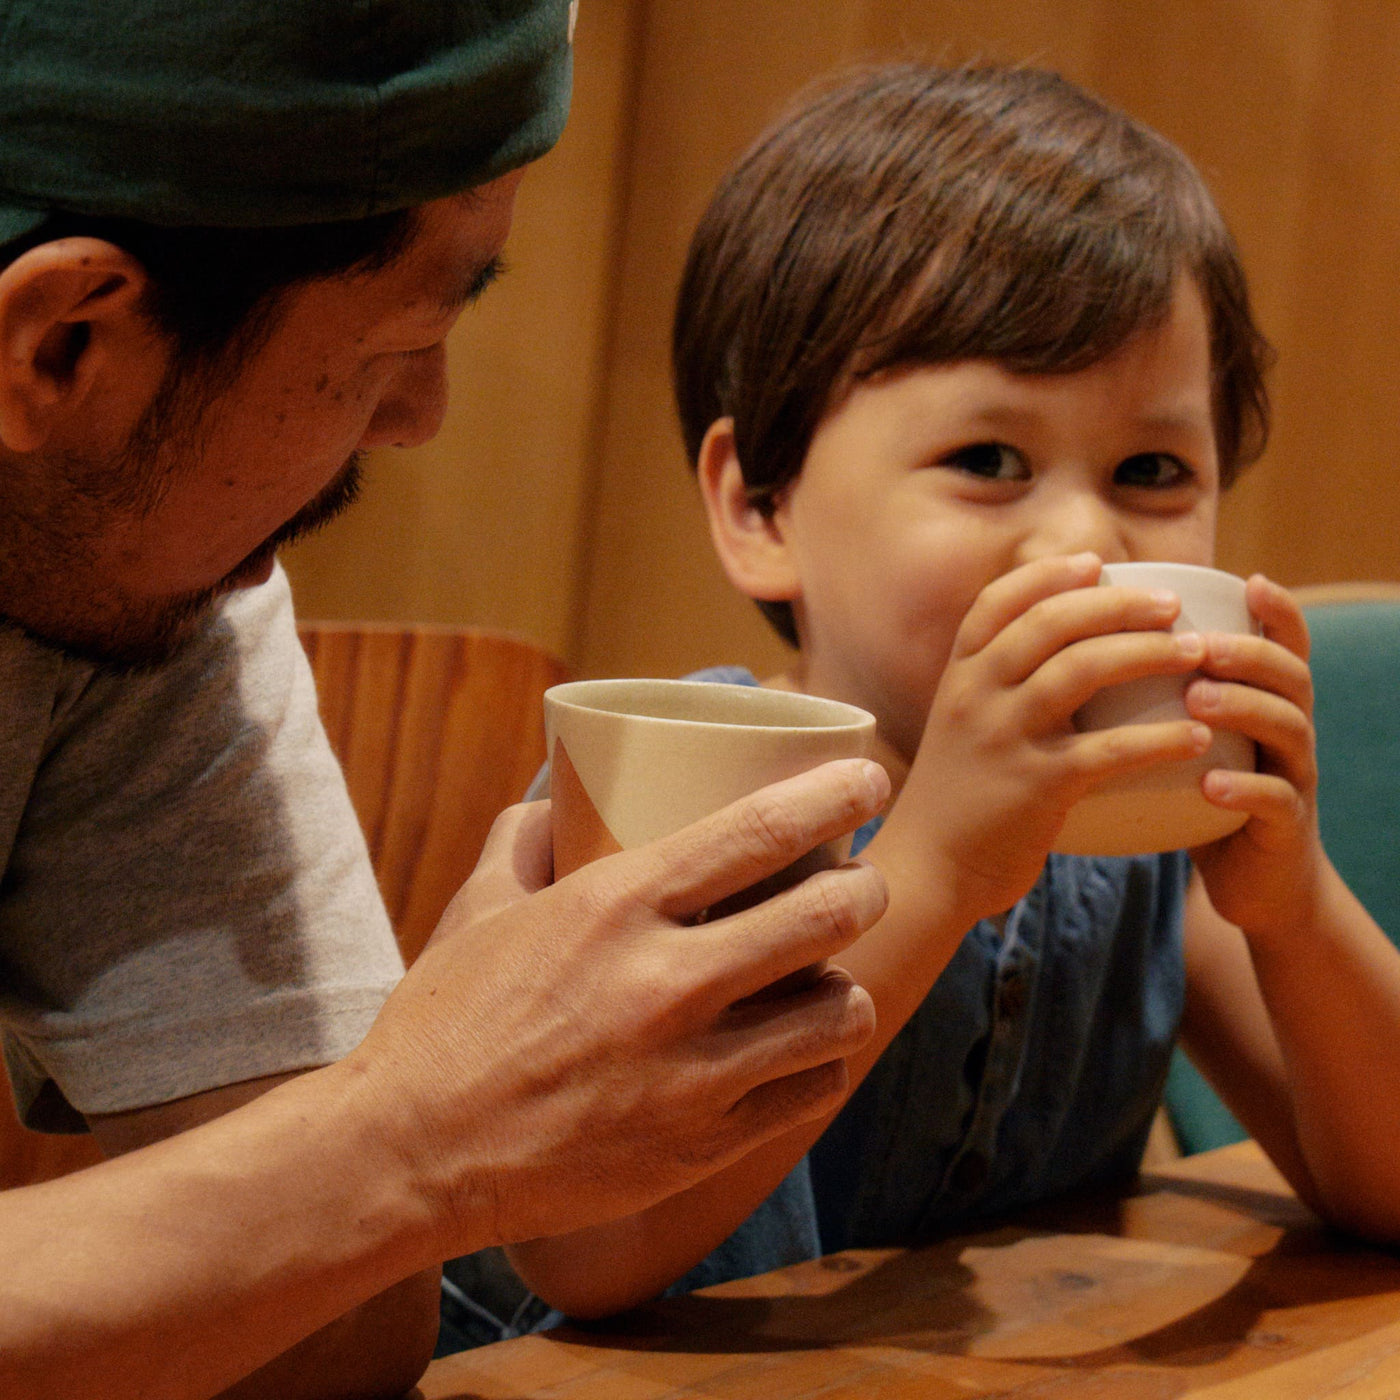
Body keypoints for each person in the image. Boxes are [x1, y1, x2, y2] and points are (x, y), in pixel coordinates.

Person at [0, 5, 894, 1397]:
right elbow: (355, 1203)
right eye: (397, 340)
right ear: (60, 345)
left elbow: (328, 1348)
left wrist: (415, 1142)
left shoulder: (135, 581)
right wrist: (414, 1142)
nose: (422, 415)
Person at [500, 61, 1400, 1322]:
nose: (1083, 545)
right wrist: (937, 865)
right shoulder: (680, 781)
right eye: (987, 460)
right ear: (758, 505)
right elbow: (589, 1248)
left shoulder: (1135, 833)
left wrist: (1288, 901)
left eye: (1150, 467)